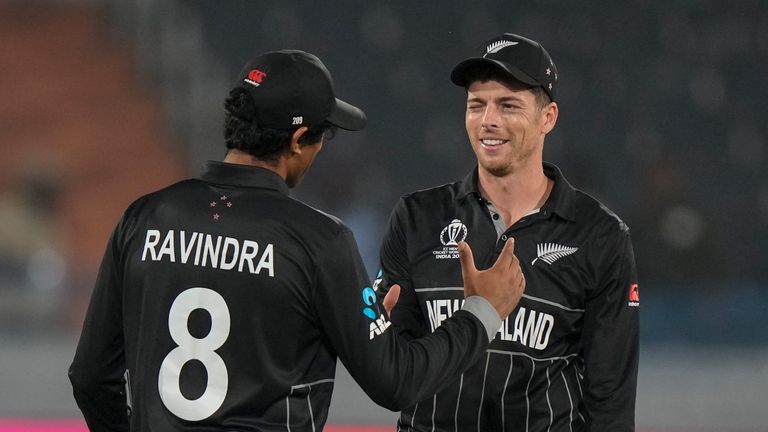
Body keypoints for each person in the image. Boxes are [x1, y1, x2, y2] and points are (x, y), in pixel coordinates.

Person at [68, 49, 526, 432]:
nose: (320, 150)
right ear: (299, 138)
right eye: (322, 137)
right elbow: (397, 383)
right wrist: (481, 313)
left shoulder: (144, 218)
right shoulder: (318, 240)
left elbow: (91, 377)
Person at [376, 33, 639, 431]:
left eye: (508, 105)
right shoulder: (417, 219)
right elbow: (394, 377)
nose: (488, 120)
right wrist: (379, 340)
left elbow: (610, 402)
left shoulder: (600, 235)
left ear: (547, 117)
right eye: (476, 105)